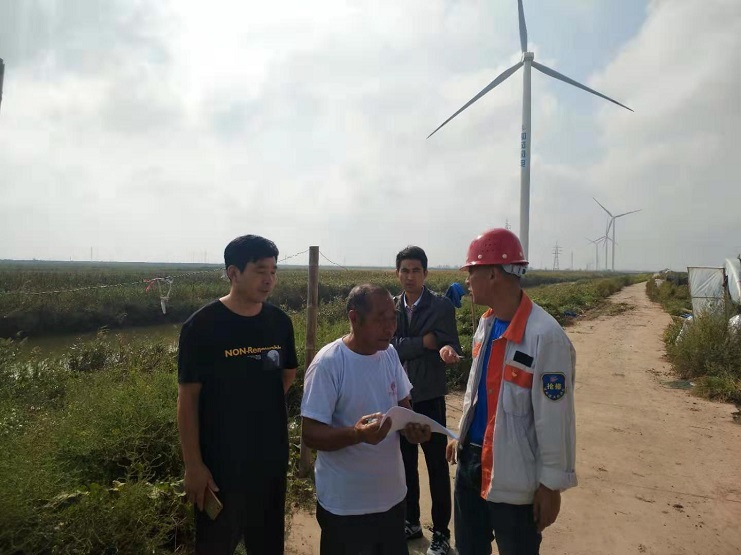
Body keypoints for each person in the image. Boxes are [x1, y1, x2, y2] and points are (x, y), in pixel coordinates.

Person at [446, 228, 577, 555]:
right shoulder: (486, 324)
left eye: (471, 271)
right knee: (468, 548)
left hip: (514, 476)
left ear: (493, 274)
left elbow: (555, 417)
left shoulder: (545, 336)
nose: (467, 280)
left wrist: (551, 485)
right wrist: (461, 433)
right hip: (470, 462)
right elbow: (476, 391)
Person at [177, 234, 298, 555]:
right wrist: (193, 465)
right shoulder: (201, 326)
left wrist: (258, 405)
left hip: (270, 459)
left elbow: (287, 373)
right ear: (233, 273)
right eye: (260, 271)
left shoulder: (279, 322)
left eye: (273, 271)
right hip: (220, 465)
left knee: (268, 544)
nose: (269, 280)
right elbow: (188, 400)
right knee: (216, 544)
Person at [301, 284, 432, 555]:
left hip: (392, 499)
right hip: (346, 508)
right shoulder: (329, 363)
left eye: (393, 318)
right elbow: (311, 434)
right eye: (380, 320)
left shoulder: (389, 354)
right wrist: (357, 435)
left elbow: (404, 410)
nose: (390, 328)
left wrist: (413, 430)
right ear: (354, 318)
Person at [391, 246, 462, 555]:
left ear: (425, 273)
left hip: (429, 396)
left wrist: (446, 349)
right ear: (397, 274)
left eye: (416, 271)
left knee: (436, 467)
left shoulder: (441, 306)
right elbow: (389, 346)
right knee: (405, 465)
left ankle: (442, 533)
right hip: (400, 399)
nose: (410, 276)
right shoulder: (391, 307)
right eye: (405, 271)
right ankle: (411, 521)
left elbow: (451, 343)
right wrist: (425, 343)